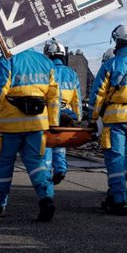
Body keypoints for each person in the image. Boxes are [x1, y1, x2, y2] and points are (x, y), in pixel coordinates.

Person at [0, 47, 60, 221]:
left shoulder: (8, 61)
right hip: (37, 124)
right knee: (37, 163)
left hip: (9, 127)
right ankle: (46, 198)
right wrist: (53, 124)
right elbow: (54, 97)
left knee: (3, 165)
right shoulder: (46, 62)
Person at [88, 26, 127, 215]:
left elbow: (97, 95)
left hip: (115, 118)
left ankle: (119, 201)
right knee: (126, 156)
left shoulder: (110, 64)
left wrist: (92, 118)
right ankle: (117, 192)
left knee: (115, 160)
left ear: (117, 41)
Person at [43, 41, 81, 185]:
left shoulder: (45, 70)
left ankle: (46, 172)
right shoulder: (71, 73)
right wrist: (78, 118)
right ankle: (60, 169)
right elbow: (77, 99)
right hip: (67, 113)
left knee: (47, 143)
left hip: (49, 112)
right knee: (60, 142)